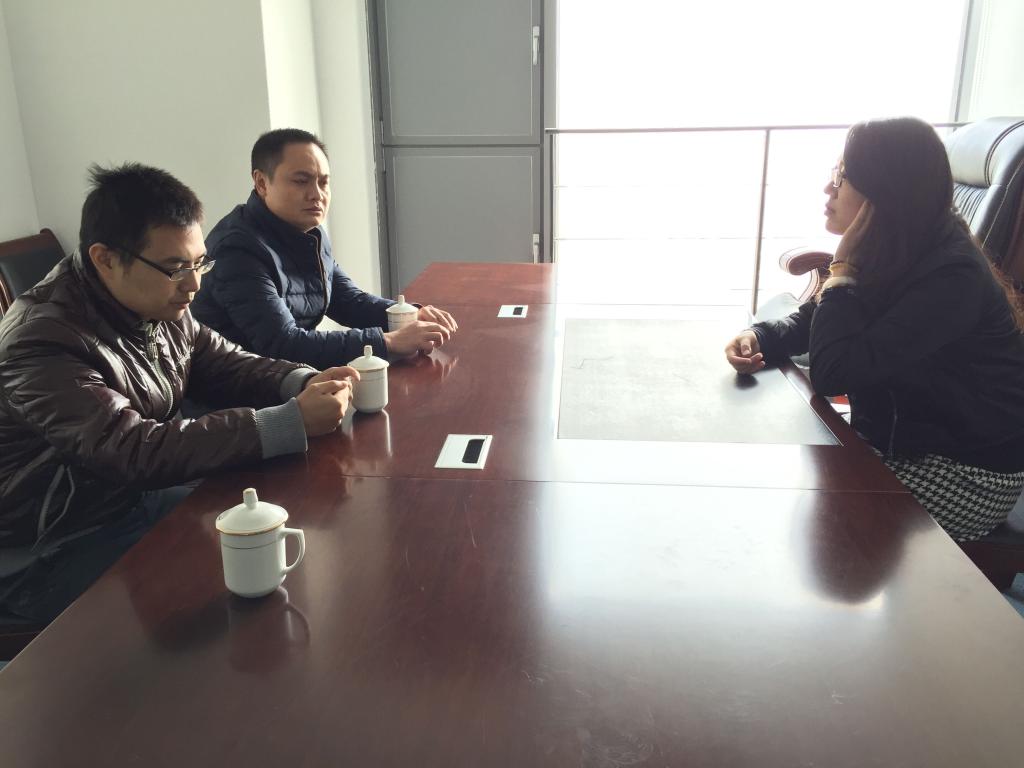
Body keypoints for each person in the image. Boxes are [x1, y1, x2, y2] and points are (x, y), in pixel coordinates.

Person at [0, 163, 359, 623]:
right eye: (175, 268)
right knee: (229, 600)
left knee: (279, 542)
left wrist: (304, 381)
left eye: (198, 263)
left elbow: (222, 361)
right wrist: (288, 421)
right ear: (105, 258)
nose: (193, 284)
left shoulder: (154, 299)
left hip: (131, 501)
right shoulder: (41, 339)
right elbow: (129, 448)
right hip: (54, 547)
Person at [725, 117, 1024, 542]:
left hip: (964, 473)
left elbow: (834, 373)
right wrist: (762, 336)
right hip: (899, 443)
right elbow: (815, 319)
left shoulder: (951, 277)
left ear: (884, 192)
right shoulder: (900, 244)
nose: (828, 189)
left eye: (842, 177)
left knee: (785, 509)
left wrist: (842, 269)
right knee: (768, 477)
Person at [191, 128, 458, 367]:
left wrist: (410, 315)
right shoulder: (237, 249)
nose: (317, 194)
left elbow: (346, 300)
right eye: (301, 181)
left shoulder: (310, 232)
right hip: (238, 395)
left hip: (288, 380)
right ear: (261, 183)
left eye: (323, 182)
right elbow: (283, 344)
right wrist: (388, 342)